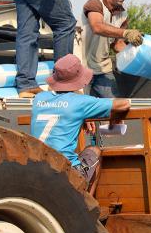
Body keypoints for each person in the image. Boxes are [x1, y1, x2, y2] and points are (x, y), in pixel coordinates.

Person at [31, 54, 130, 188]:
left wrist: (82, 117)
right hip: (65, 170)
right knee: (94, 150)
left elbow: (55, 96)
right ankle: (86, 203)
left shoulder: (39, 99)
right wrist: (85, 115)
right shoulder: (80, 102)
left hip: (37, 166)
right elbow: (124, 104)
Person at [82, 0, 144, 98]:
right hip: (81, 67)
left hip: (103, 68)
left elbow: (117, 45)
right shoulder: (95, 3)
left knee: (115, 108)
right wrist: (126, 33)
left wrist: (139, 56)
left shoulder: (123, 15)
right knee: (80, 109)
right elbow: (97, 26)